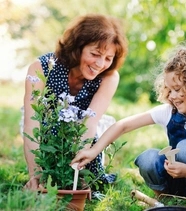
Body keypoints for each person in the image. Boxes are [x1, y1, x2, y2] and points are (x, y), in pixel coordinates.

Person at [71, 46, 186, 201]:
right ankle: (164, 196)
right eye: (169, 90)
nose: (172, 96)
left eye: (177, 89)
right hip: (174, 179)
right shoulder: (169, 112)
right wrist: (93, 150)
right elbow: (123, 126)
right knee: (148, 158)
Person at [22, 14, 128, 190]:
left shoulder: (109, 77)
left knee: (90, 184)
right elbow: (31, 124)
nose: (100, 64)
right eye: (95, 54)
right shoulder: (40, 67)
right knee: (45, 176)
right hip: (46, 132)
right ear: (78, 48)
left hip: (81, 135)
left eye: (108, 58)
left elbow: (90, 122)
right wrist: (36, 175)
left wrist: (74, 170)